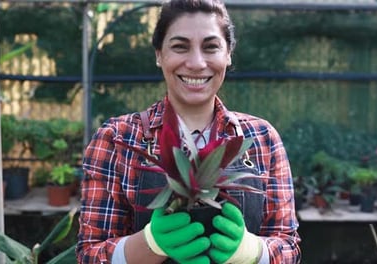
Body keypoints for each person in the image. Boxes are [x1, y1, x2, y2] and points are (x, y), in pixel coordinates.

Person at [76, 0, 301, 263]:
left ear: (228, 54)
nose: (196, 63)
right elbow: (89, 255)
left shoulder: (261, 139)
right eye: (180, 47)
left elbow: (289, 250)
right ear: (159, 54)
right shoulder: (117, 139)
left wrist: (252, 251)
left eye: (211, 47)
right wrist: (150, 244)